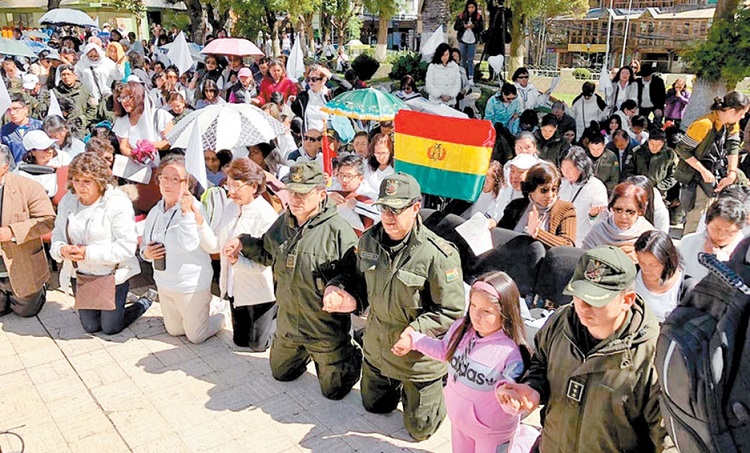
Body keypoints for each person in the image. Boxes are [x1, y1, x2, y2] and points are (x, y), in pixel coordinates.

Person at [324, 172, 465, 441]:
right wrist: (343, 294)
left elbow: (451, 310)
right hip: (378, 348)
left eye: (397, 209)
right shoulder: (368, 242)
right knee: (374, 407)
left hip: (417, 358)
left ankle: (437, 389)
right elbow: (358, 282)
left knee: (420, 430)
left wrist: (414, 333)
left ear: (415, 207)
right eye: (384, 208)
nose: (389, 216)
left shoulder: (439, 254)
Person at [496, 246, 675, 453]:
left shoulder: (654, 356)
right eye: (579, 295)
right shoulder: (561, 322)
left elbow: (667, 434)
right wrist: (532, 389)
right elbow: (541, 364)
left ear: (627, 300)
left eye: (595, 300)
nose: (583, 307)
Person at [228, 162, 362, 400]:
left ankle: (349, 352)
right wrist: (243, 243)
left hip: (323, 327)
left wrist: (339, 291)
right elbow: (267, 252)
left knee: (334, 391)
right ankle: (303, 354)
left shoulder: (339, 230)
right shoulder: (283, 222)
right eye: (292, 192)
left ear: (321, 194)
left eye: (304, 193)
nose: (296, 199)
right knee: (281, 373)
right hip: (289, 323)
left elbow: (354, 277)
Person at [395, 271, 539, 452]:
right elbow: (443, 351)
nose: (476, 316)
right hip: (459, 422)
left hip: (492, 433)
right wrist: (414, 340)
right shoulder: (462, 328)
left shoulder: (512, 352)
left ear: (506, 312)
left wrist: (511, 400)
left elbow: (510, 390)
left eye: (486, 311)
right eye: (473, 306)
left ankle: (526, 438)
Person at [50, 152, 150, 335]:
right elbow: (57, 234)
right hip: (81, 273)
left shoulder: (117, 202)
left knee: (110, 328)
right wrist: (61, 249)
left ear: (100, 181)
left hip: (111, 273)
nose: (80, 187)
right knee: (91, 327)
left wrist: (88, 253)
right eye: (76, 180)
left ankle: (142, 303)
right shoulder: (68, 200)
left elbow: (127, 247)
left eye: (87, 181)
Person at [140, 155, 225, 344]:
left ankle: (220, 313)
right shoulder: (156, 210)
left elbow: (187, 246)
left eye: (175, 179)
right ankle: (198, 313)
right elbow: (144, 245)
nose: (167, 184)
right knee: (174, 330)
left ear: (187, 183)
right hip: (164, 282)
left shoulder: (195, 209)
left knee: (196, 336)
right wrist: (146, 253)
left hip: (190, 284)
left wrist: (187, 214)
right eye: (164, 177)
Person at [674, 92, 750, 235]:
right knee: (696, 218)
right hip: (695, 177)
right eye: (742, 113)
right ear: (732, 111)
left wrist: (732, 173)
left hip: (715, 175)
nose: (743, 117)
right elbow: (682, 149)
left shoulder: (731, 123)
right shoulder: (703, 124)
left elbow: (733, 145)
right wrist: (703, 171)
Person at [0, 146, 55, 318]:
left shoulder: (29, 187)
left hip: (21, 263)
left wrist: (12, 232)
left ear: (4, 167)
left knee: (25, 312)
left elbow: (48, 220)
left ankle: (41, 288)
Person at [498, 161, 577, 248]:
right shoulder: (516, 206)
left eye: (554, 189)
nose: (550, 195)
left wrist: (538, 233)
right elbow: (499, 235)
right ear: (531, 189)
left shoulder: (566, 210)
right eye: (544, 190)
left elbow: (568, 245)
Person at [583, 181, 656, 263]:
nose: (623, 216)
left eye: (630, 212)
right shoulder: (598, 231)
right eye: (618, 210)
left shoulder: (649, 235)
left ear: (640, 211)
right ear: (611, 207)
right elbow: (583, 261)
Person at [679, 197, 745, 281]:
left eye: (729, 231)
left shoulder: (745, 252)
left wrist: (718, 257)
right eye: (717, 229)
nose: (721, 235)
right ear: (707, 223)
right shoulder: (688, 242)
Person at [559, 146, 609, 247]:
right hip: (562, 238)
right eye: (563, 168)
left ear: (580, 167)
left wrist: (593, 215)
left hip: (584, 240)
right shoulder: (562, 183)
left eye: (569, 168)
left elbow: (603, 220)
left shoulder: (596, 186)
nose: (565, 172)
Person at [634, 230, 687, 323]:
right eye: (642, 263)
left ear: (667, 261)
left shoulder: (686, 287)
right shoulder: (632, 274)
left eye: (654, 265)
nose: (646, 270)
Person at [112, 80, 172, 156]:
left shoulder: (160, 115)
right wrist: (134, 154)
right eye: (121, 98)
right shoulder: (122, 121)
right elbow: (123, 146)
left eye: (127, 97)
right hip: (138, 165)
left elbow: (169, 142)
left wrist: (150, 146)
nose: (124, 101)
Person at [329, 154, 378, 235]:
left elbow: (379, 215)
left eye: (349, 176)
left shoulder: (369, 195)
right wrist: (329, 197)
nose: (344, 180)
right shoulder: (336, 188)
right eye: (341, 175)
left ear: (360, 178)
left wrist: (357, 205)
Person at [17, 130, 72, 198]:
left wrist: (60, 171)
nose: (50, 151)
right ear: (32, 152)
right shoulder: (21, 169)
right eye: (45, 149)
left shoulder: (63, 158)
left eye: (51, 147)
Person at [628, 128, 677, 196]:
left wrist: (659, 188)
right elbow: (629, 171)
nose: (654, 148)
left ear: (664, 142)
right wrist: (636, 185)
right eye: (652, 144)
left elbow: (674, 175)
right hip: (638, 192)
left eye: (658, 145)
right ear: (648, 141)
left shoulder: (669, 155)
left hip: (659, 194)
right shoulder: (637, 152)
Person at [2, 93, 44, 164]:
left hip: (37, 169)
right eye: (9, 110)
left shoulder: (39, 126)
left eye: (16, 109)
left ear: (25, 109)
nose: (12, 113)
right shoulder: (5, 131)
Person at [290, 64, 333, 132]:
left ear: (323, 80)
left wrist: (330, 75)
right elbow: (297, 111)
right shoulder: (304, 95)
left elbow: (348, 87)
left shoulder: (330, 94)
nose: (310, 82)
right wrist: (294, 102)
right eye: (308, 79)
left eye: (314, 79)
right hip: (309, 138)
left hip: (326, 138)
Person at [453, 0, 484, 81]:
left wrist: (474, 26)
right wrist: (464, 26)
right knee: (462, 59)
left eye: (472, 7)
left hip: (473, 41)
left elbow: (482, 28)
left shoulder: (478, 16)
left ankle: (471, 77)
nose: (471, 9)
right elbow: (456, 27)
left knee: (470, 60)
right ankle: (462, 77)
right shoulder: (461, 15)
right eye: (469, 7)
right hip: (463, 40)